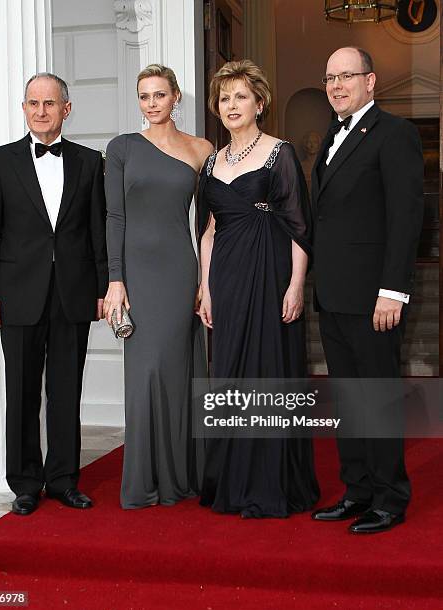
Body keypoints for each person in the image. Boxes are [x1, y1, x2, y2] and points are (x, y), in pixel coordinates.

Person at [0, 73, 108, 515]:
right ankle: (26, 483)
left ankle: (65, 479)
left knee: (67, 390)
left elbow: (98, 232)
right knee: (23, 390)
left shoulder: (90, 162)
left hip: (74, 292)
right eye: (33, 103)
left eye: (50, 104)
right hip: (17, 295)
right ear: (24, 108)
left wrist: (104, 289)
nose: (41, 111)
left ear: (66, 109)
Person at [197, 60, 320, 518]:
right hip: (226, 278)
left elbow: (299, 227)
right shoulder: (211, 161)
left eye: (240, 96)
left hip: (270, 274)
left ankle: (268, 484)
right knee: (229, 374)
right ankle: (233, 480)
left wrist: (295, 284)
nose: (231, 105)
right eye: (224, 97)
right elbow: (209, 231)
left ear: (260, 103)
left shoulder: (279, 153)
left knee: (267, 373)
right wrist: (206, 289)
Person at [310, 47, 424, 534]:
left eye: (347, 76)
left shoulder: (394, 134)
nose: (337, 85)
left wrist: (392, 290)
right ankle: (356, 490)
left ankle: (389, 498)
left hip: (372, 296)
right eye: (330, 77)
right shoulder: (332, 136)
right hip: (333, 292)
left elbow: (406, 218)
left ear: (371, 81)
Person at [104, 64, 212, 509]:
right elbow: (114, 217)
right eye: (144, 96)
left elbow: (210, 222)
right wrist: (115, 279)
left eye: (159, 95)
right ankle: (146, 480)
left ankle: (182, 473)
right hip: (137, 274)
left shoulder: (201, 149)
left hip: (179, 269)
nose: (151, 103)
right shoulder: (122, 148)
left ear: (175, 98)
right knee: (145, 372)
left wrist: (206, 281)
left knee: (176, 369)